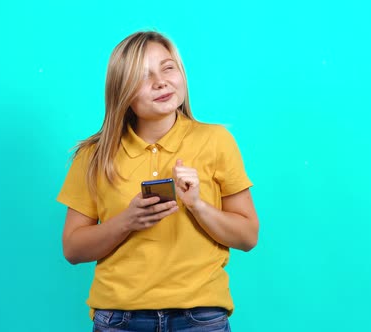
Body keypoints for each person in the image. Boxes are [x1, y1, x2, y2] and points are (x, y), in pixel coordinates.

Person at [57, 31, 259, 332]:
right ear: (122, 91)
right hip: (119, 319)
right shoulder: (94, 155)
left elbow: (248, 237)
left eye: (168, 68)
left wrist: (197, 206)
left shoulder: (217, 141)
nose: (161, 82)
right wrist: (127, 220)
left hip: (200, 317)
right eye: (143, 76)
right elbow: (73, 249)